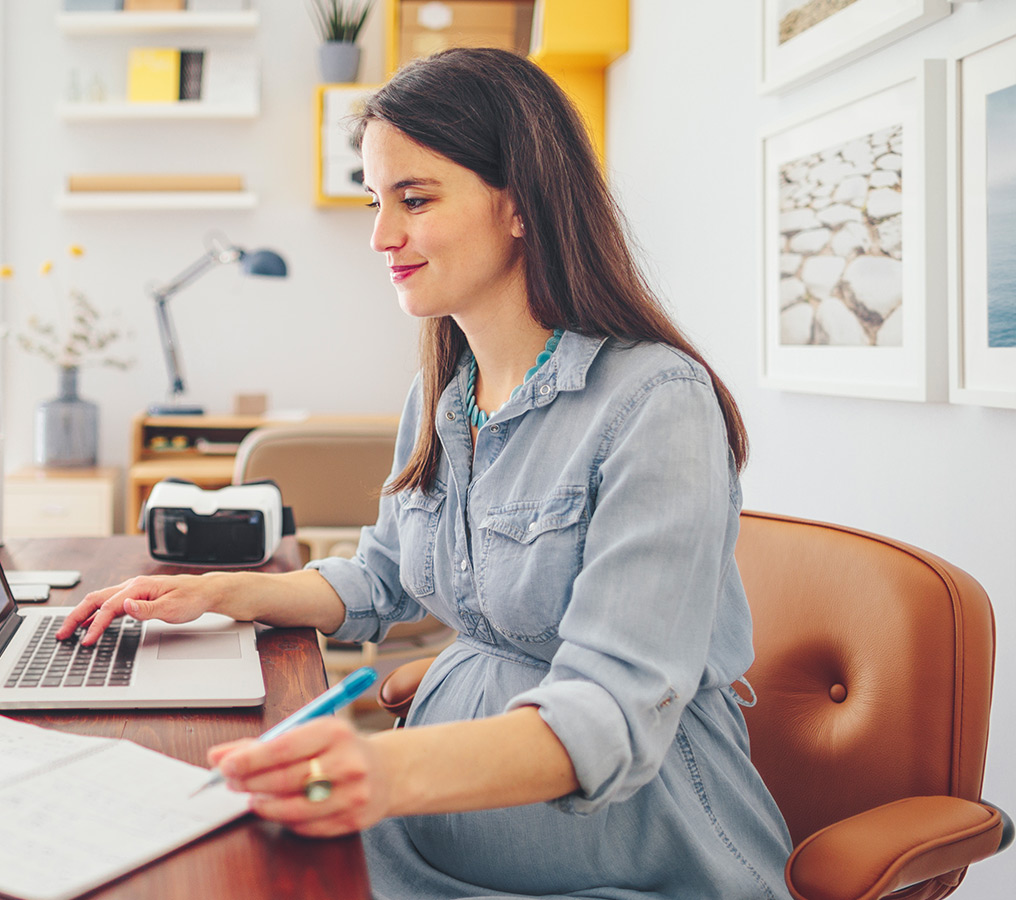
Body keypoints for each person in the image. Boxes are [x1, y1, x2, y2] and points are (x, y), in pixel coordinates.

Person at [57, 47, 793, 900]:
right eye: (378, 201)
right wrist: (222, 593)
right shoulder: (444, 390)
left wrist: (382, 767)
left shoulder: (656, 403)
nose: (380, 235)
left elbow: (612, 713)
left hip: (624, 843)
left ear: (520, 205)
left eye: (414, 199)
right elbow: (382, 574)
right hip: (437, 814)